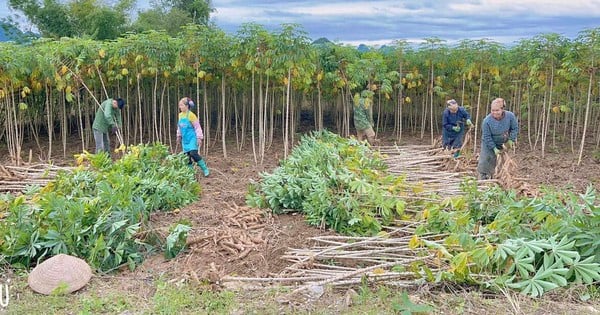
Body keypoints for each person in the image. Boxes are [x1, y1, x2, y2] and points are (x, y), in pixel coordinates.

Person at [477, 98, 519, 179]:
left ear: (502, 109)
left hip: (504, 141)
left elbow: (514, 128)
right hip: (489, 142)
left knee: (503, 160)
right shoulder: (486, 121)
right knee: (486, 158)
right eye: (493, 110)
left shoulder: (510, 116)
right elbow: (487, 136)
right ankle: (483, 176)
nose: (495, 113)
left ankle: (501, 177)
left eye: (497, 110)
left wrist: (511, 139)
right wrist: (494, 148)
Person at [176, 97, 209, 177]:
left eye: (181, 105)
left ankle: (204, 168)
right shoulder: (180, 115)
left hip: (192, 138)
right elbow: (179, 127)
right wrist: (178, 136)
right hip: (185, 139)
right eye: (179, 105)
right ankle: (191, 173)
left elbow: (197, 127)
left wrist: (199, 138)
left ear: (187, 106)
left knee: (193, 153)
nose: (180, 107)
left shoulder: (191, 115)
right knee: (187, 156)